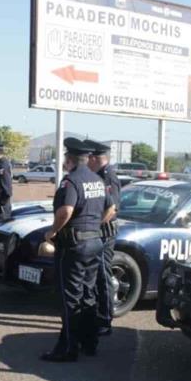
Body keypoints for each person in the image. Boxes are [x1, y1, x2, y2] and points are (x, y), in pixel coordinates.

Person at [41, 137, 116, 362]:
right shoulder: (97, 180)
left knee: (70, 298)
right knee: (88, 294)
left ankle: (68, 349)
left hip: (74, 247)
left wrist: (52, 232)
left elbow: (66, 210)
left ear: (70, 159)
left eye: (65, 157)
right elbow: (111, 207)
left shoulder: (71, 181)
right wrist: (95, 226)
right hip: (94, 243)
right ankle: (90, 342)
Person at [84, 139, 121, 337]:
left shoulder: (108, 176)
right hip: (97, 232)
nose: (87, 161)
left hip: (104, 232)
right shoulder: (97, 175)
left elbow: (111, 209)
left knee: (102, 275)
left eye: (90, 157)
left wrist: (94, 226)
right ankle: (96, 315)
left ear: (97, 158)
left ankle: (105, 319)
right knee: (94, 275)